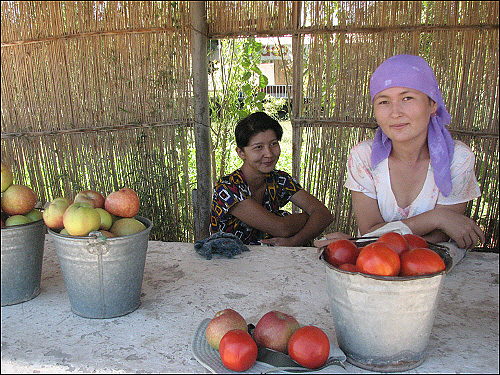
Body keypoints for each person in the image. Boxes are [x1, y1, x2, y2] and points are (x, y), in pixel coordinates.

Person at [315, 54, 485, 258]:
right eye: (384, 102)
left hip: (430, 270)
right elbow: (369, 230)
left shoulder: (456, 158)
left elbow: (438, 239)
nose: (395, 112)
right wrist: (437, 218)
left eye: (407, 98)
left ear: (433, 104)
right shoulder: (364, 156)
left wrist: (361, 244)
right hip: (375, 267)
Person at [210, 111, 333, 246]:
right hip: (230, 261)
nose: (269, 154)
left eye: (273, 144)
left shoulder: (279, 179)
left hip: (271, 258)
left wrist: (294, 241)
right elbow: (281, 228)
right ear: (241, 153)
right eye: (258, 147)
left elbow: (324, 215)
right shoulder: (228, 188)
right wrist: (309, 217)